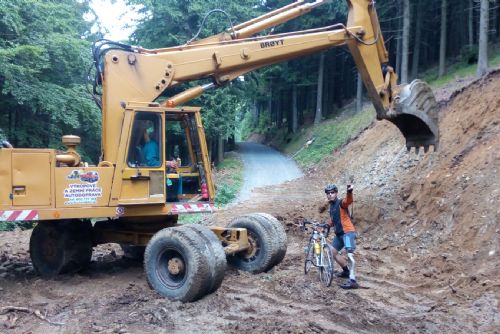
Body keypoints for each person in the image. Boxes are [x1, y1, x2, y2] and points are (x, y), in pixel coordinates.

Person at [324, 183, 359, 289]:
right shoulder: (331, 207)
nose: (330, 195)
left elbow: (347, 201)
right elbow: (332, 220)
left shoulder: (340, 203)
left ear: (336, 193)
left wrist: (349, 191)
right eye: (328, 193)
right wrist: (323, 227)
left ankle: (353, 281)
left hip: (347, 233)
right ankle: (346, 271)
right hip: (339, 235)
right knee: (332, 252)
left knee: (350, 255)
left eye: (332, 193)